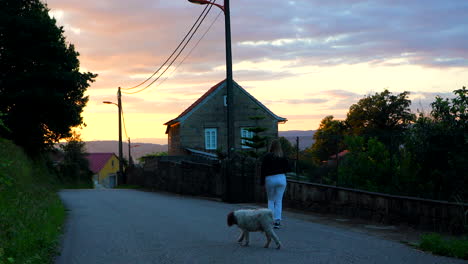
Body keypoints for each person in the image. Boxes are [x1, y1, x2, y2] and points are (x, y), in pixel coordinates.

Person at [260, 139, 290, 229]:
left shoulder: (267, 156)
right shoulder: (282, 156)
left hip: (270, 179)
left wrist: (261, 182)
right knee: (279, 200)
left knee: (271, 200)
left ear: (271, 146)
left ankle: (270, 221)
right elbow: (289, 168)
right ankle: (277, 221)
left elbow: (263, 170)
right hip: (281, 178)